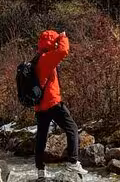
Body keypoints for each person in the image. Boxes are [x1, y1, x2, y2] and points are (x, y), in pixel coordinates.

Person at [34, 30, 88, 180]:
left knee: (41, 137)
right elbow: (64, 50)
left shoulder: (38, 58)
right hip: (52, 103)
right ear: (52, 42)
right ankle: (72, 162)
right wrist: (63, 37)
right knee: (72, 128)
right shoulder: (47, 58)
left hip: (40, 106)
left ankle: (40, 171)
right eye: (55, 41)